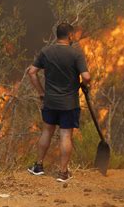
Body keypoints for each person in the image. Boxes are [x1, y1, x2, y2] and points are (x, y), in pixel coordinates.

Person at [27, 22, 90, 183]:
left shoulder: (46, 51)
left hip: (50, 102)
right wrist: (84, 84)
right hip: (69, 103)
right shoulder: (76, 54)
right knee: (65, 135)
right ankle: (62, 173)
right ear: (70, 36)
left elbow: (32, 72)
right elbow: (87, 77)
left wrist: (41, 92)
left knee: (46, 131)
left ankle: (39, 166)